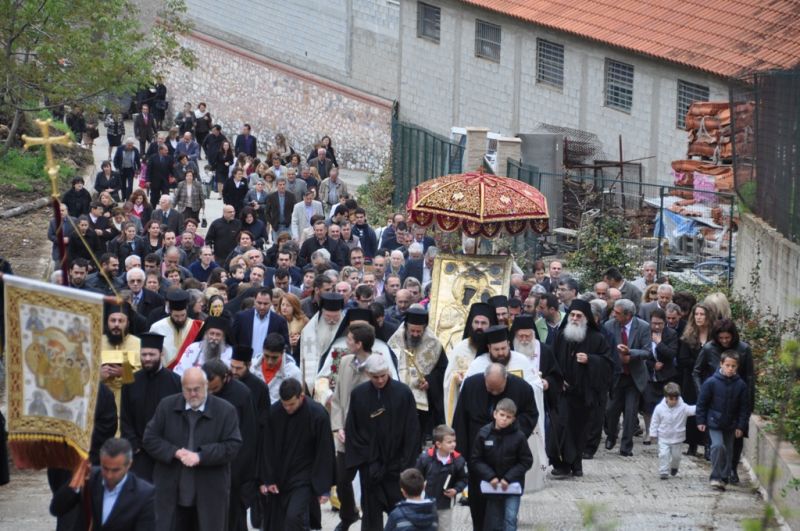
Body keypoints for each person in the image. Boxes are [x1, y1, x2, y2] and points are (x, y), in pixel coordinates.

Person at [143, 367, 243, 531]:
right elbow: (149, 439)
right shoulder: (167, 406)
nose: (192, 394)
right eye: (188, 390)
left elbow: (233, 445)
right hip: (172, 493)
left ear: (206, 386)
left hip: (209, 493)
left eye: (197, 389)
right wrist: (174, 452)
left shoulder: (225, 411)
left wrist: (201, 456)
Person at [452, 364, 537, 530]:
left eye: (498, 389)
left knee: (507, 515)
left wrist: (511, 432)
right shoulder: (471, 385)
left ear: (506, 379)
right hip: (480, 458)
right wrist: (460, 454)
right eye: (490, 388)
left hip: (509, 463)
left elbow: (531, 415)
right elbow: (460, 420)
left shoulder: (522, 388)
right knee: (479, 505)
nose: (493, 393)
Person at [344, 353, 419, 530]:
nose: (379, 381)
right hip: (371, 468)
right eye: (375, 377)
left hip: (397, 467)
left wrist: (406, 464)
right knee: (371, 517)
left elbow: (412, 431)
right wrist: (368, 461)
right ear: (368, 374)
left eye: (383, 376)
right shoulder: (359, 395)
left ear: (388, 372)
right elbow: (353, 431)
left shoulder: (403, 393)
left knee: (401, 516)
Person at [548, 300, 614, 479]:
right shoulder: (561, 336)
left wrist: (591, 360)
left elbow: (608, 364)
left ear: (587, 319)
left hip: (584, 395)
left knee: (578, 431)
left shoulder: (597, 338)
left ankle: (576, 465)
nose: (575, 319)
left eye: (579, 316)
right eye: (572, 315)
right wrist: (558, 380)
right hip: (563, 393)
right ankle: (561, 464)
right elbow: (551, 361)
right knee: (561, 428)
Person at [260, 378, 335, 531]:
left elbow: (325, 451)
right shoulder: (274, 413)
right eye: (284, 404)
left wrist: (323, 487)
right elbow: (267, 448)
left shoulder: (318, 415)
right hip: (281, 476)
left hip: (305, 478)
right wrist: (267, 479)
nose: (287, 408)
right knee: (278, 522)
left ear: (301, 396)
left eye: (291, 404)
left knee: (295, 517)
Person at [692, 319, 755, 483]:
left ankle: (731, 468)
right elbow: (697, 372)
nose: (725, 341)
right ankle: (718, 471)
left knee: (736, 438)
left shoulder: (743, 349)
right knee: (717, 441)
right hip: (715, 399)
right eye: (722, 338)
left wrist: (748, 400)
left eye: (728, 338)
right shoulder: (709, 348)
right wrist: (702, 394)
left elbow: (749, 376)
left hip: (737, 397)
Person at [49, 438, 155, 530]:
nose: (109, 475)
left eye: (115, 470)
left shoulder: (145, 494)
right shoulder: (89, 478)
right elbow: (56, 509)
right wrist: (75, 484)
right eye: (105, 468)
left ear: (129, 465)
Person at [202, 359, 258, 531]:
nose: (210, 393)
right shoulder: (199, 392)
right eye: (207, 389)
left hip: (233, 469)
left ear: (226, 378)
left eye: (215, 389)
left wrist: (239, 473)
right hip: (205, 464)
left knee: (232, 519)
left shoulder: (242, 394)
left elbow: (248, 437)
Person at [120, 332, 181, 482]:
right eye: (144, 354)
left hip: (167, 453)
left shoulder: (176, 382)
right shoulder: (130, 381)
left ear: (160, 354)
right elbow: (125, 416)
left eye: (152, 354)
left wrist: (171, 448)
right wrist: (134, 444)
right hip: (139, 453)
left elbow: (180, 418)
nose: (147, 358)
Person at [387, 307, 447, 447]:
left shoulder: (434, 344)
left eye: (418, 331)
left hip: (421, 404)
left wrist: (429, 382)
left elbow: (443, 371)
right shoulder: (394, 341)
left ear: (424, 328)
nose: (414, 334)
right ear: (406, 327)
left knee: (414, 440)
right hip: (397, 398)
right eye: (412, 331)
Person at [471, 397, 533, 531]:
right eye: (502, 415)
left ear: (513, 419)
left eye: (508, 417)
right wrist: (490, 476)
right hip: (492, 486)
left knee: (510, 518)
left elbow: (526, 461)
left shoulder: (519, 436)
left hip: (512, 486)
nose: (504, 419)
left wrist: (508, 478)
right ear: (495, 414)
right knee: (494, 521)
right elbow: (476, 459)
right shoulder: (484, 434)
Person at [604, 298, 652, 457]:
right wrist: (616, 354)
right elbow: (604, 349)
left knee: (631, 413)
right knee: (611, 410)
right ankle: (611, 436)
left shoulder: (643, 327)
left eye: (617, 313)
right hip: (616, 376)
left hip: (634, 377)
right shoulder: (609, 325)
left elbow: (647, 352)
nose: (614, 315)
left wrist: (630, 354)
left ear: (628, 315)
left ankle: (626, 447)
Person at [696, 351, 750, 491]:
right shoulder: (711, 382)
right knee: (717, 446)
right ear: (721, 364)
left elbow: (744, 409)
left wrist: (741, 426)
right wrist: (700, 420)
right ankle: (715, 476)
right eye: (727, 365)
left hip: (731, 424)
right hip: (714, 421)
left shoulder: (741, 385)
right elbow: (702, 403)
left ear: (737, 367)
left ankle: (724, 477)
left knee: (728, 451)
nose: (730, 368)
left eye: (733, 366)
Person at [443, 302, 497, 424]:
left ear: (491, 325)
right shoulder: (460, 349)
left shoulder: (497, 349)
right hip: (468, 407)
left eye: (484, 323)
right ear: (470, 324)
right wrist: (457, 378)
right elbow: (448, 380)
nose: (479, 327)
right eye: (476, 322)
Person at [414, 425, 468, 531]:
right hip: (427, 503)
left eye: (454, 441)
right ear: (438, 444)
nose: (453, 444)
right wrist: (419, 489)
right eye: (449, 442)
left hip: (446, 505)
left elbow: (463, 479)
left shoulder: (458, 460)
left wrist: (456, 490)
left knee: (444, 528)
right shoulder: (425, 458)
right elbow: (416, 476)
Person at [648, 382, 696, 480]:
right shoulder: (659, 408)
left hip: (677, 438)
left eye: (676, 399)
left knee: (676, 456)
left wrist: (703, 406)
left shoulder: (683, 407)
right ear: (666, 397)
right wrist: (653, 434)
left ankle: (674, 467)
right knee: (663, 454)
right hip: (663, 437)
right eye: (671, 399)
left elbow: (693, 409)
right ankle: (664, 471)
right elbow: (655, 422)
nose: (673, 401)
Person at [252, 332, 303, 404]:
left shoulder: (294, 373)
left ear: (283, 353)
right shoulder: (251, 367)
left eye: (274, 358)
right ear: (262, 350)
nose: (269, 362)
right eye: (266, 356)